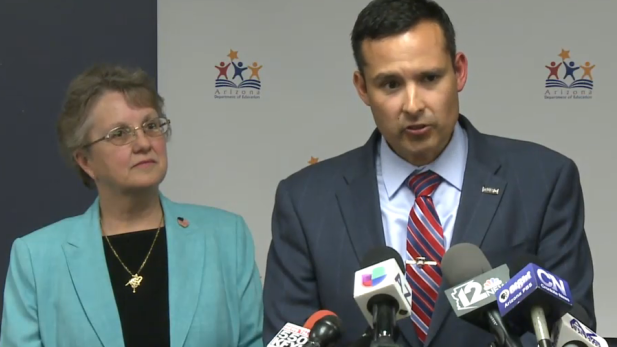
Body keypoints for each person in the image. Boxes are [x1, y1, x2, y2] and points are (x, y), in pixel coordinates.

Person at [262, 0, 595, 346]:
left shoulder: (544, 181)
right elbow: (293, 331)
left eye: (430, 78)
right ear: (362, 88)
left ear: (460, 71)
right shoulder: (305, 202)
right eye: (390, 84)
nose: (413, 104)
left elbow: (570, 329)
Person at [0, 65, 264, 347]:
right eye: (119, 133)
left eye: (151, 126)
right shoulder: (37, 258)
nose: (142, 143)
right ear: (85, 161)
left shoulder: (226, 237)